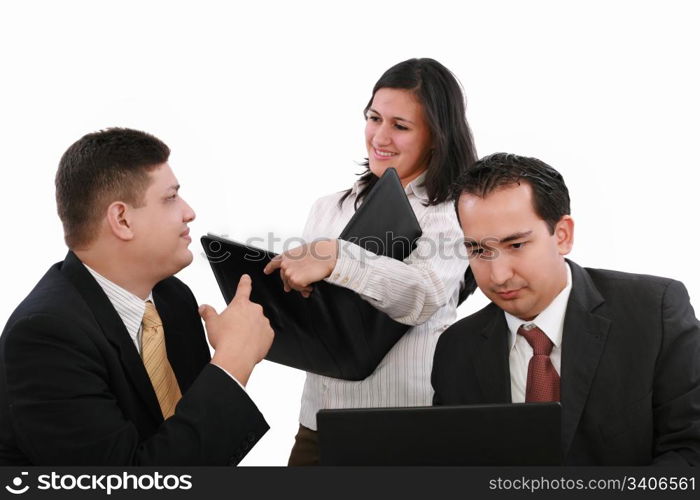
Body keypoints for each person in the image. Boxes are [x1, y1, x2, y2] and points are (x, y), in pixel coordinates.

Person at [0, 128, 274, 465]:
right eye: (171, 198)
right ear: (122, 219)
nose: (189, 212)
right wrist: (233, 361)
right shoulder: (46, 336)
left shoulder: (173, 299)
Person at [263, 58, 478, 465]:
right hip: (318, 425)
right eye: (374, 118)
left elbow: (424, 295)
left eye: (400, 125)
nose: (380, 136)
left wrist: (338, 256)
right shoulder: (328, 208)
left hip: (402, 431)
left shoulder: (451, 213)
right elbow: (318, 317)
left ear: (436, 136)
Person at [432, 152, 700, 465]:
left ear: (562, 235)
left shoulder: (654, 312)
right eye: (478, 250)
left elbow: (690, 451)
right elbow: (453, 472)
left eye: (516, 245)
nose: (498, 275)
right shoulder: (456, 349)